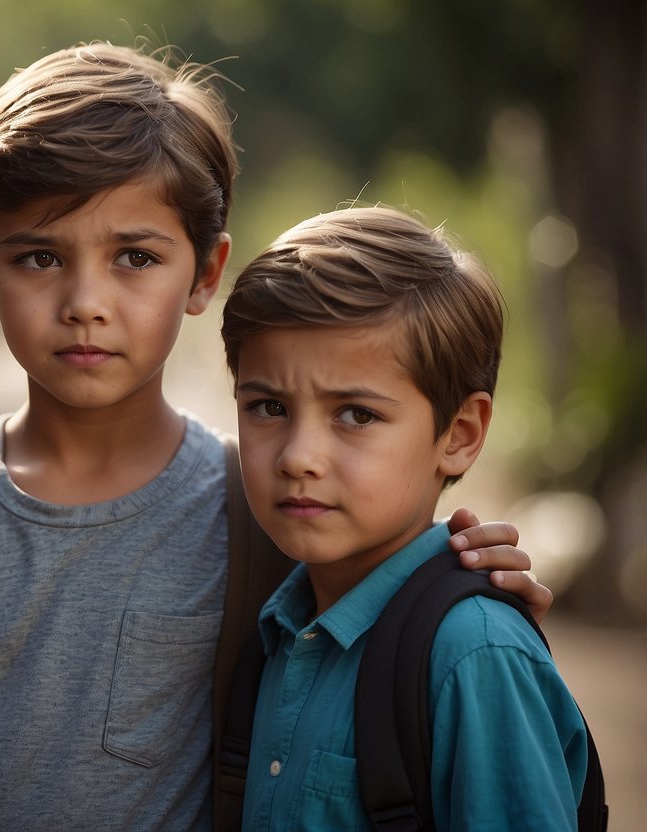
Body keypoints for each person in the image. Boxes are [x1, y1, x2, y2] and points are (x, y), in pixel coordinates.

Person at [0, 44, 547, 831]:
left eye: (135, 258)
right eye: (39, 257)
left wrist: (464, 585)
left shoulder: (268, 513)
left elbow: (409, 633)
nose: (86, 302)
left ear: (204, 273)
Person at [221, 206, 588, 829]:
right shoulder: (281, 625)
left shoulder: (472, 654)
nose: (298, 456)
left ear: (460, 434)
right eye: (266, 406)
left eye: (356, 415)